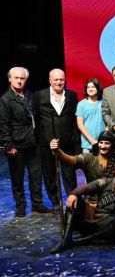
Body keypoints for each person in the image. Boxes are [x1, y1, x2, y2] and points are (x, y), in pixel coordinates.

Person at [51, 155, 115, 254]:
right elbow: (87, 187)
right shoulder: (105, 182)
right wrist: (73, 194)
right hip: (94, 220)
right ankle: (66, 238)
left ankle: (79, 241)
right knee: (75, 200)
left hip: (111, 224)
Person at [0, 67, 49, 216]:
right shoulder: (5, 99)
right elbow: (3, 124)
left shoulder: (30, 95)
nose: (19, 81)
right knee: (17, 178)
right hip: (16, 145)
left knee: (36, 176)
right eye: (16, 78)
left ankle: (37, 204)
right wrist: (9, 145)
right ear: (10, 79)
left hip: (33, 143)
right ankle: (20, 206)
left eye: (22, 78)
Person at [34, 68, 79, 207]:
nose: (59, 82)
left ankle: (73, 200)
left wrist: (74, 137)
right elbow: (36, 119)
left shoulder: (71, 95)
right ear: (50, 80)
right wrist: (42, 138)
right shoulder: (39, 95)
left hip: (67, 142)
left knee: (69, 174)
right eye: (56, 79)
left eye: (61, 79)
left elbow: (74, 118)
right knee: (49, 174)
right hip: (47, 143)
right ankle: (55, 202)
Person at [50, 130, 115, 203]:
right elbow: (70, 160)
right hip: (92, 201)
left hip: (112, 200)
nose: (103, 146)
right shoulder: (89, 157)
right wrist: (58, 150)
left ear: (112, 145)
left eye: (107, 143)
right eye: (101, 142)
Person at [75, 78, 105, 154]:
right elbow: (80, 124)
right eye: (88, 87)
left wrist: (104, 138)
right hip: (87, 144)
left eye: (93, 87)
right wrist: (92, 141)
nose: (90, 89)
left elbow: (108, 120)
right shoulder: (81, 104)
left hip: (103, 144)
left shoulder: (104, 102)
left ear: (98, 88)